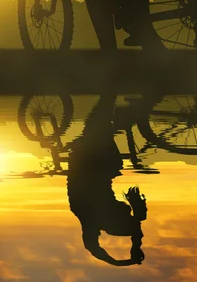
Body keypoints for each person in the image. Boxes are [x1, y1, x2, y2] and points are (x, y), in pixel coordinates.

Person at [67, 94, 147, 266]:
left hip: (91, 161)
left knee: (100, 123)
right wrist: (134, 248)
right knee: (100, 124)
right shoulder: (88, 215)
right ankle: (113, 104)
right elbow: (136, 228)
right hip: (96, 163)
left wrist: (122, 261)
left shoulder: (87, 214)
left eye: (125, 211)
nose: (126, 208)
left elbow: (92, 247)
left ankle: (112, 96)